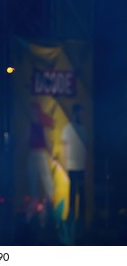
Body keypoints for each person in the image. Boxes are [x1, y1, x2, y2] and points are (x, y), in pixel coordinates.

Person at [61, 103, 87, 242]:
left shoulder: (83, 129)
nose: (82, 115)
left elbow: (85, 149)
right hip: (72, 167)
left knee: (81, 195)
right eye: (80, 112)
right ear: (75, 113)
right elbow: (64, 148)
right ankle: (71, 218)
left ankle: (81, 220)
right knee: (72, 195)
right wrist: (65, 165)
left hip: (81, 167)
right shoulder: (67, 129)